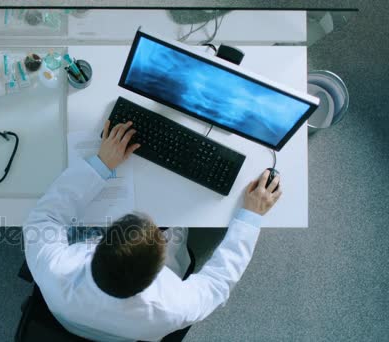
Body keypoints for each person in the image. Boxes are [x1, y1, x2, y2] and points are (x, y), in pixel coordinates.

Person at [23, 121, 282, 342]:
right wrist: (250, 216)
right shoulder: (172, 307)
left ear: (98, 246)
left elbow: (45, 216)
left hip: (69, 321)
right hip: (118, 334)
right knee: (179, 228)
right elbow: (218, 283)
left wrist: (101, 163)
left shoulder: (54, 269)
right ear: (161, 270)